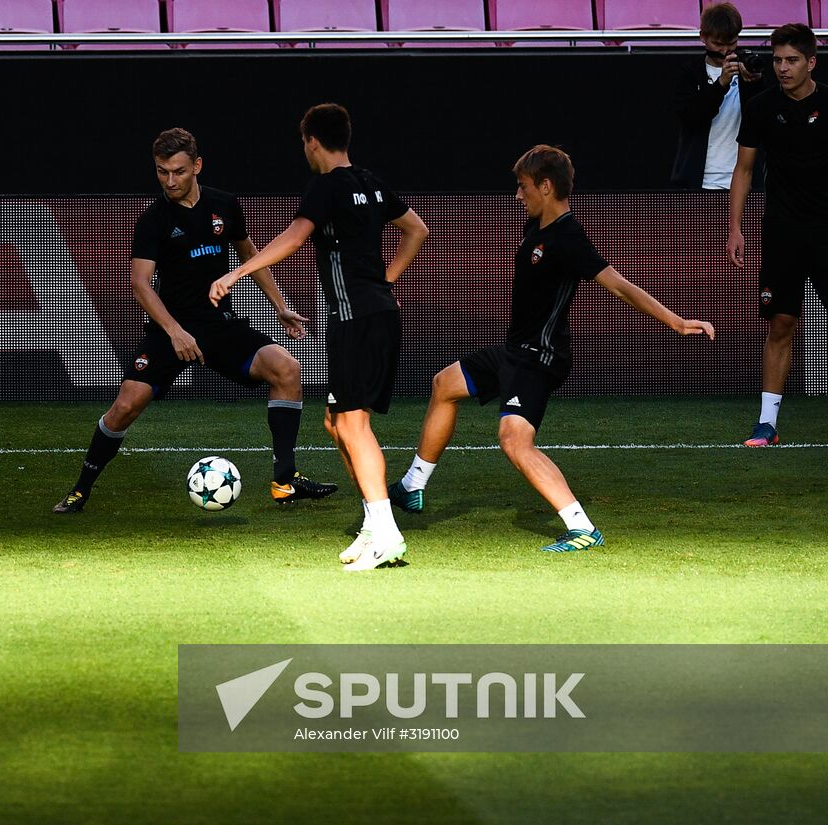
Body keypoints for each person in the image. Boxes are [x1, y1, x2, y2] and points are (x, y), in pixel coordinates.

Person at [389, 145, 715, 552]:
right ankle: (412, 487)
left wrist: (677, 321)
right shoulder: (536, 227)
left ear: (546, 186)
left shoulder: (568, 237)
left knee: (513, 440)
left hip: (540, 358)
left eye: (523, 187)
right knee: (444, 384)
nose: (517, 195)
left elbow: (619, 285)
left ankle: (582, 528)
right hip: (515, 351)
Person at [52, 127, 336, 514]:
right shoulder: (153, 220)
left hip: (220, 325)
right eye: (162, 171)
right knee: (125, 406)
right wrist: (174, 332)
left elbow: (250, 256)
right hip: (171, 329)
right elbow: (139, 285)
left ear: (197, 166)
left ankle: (285, 480)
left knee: (287, 368)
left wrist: (280, 306)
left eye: (179, 171)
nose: (170, 180)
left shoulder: (225, 206)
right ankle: (80, 490)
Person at [210, 104, 429, 570]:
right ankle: (373, 525)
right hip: (378, 315)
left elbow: (292, 239)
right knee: (337, 422)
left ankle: (386, 532)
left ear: (311, 141)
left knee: (353, 424)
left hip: (354, 320)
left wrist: (237, 273)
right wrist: (387, 280)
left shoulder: (325, 186)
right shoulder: (370, 181)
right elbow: (417, 230)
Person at [727, 22, 827, 447]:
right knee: (781, 322)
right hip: (782, 231)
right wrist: (734, 227)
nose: (783, 68)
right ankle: (766, 424)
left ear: (811, 63)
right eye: (777, 60)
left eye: (791, 60)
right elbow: (744, 169)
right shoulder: (762, 106)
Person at [672, 3, 766, 191]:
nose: (724, 51)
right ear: (703, 37)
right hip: (700, 181)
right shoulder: (689, 72)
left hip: (743, 181)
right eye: (718, 44)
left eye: (731, 44)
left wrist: (755, 84)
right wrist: (720, 85)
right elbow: (692, 117)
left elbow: (762, 121)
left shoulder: (748, 69)